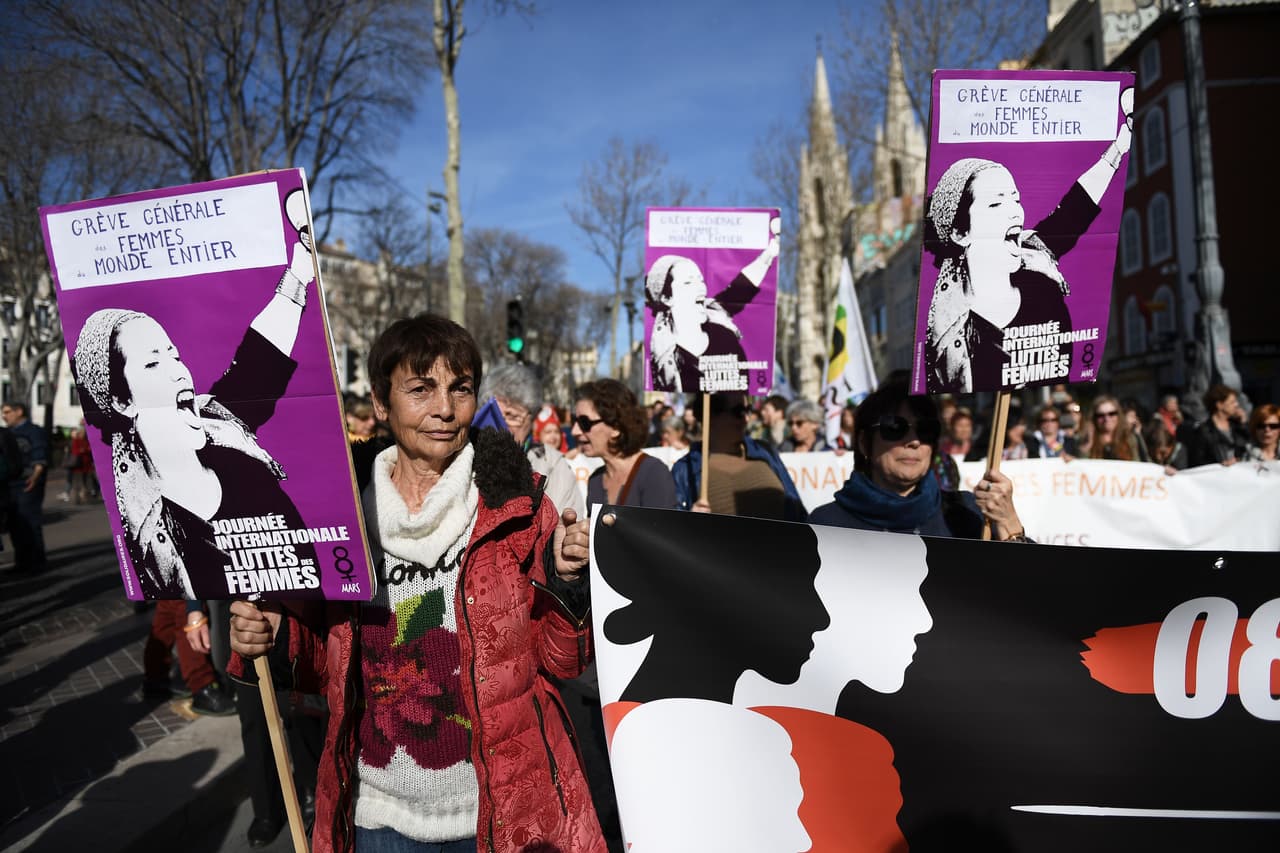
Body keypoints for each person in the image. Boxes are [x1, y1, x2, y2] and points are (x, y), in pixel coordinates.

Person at [229, 313, 604, 853]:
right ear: (381, 403)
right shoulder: (336, 515)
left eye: (460, 389)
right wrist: (272, 636)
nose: (445, 409)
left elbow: (565, 661)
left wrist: (568, 581)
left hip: (500, 817)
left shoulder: (521, 508)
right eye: (421, 389)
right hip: (377, 820)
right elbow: (321, 667)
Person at [70, 216, 317, 599]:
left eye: (174, 355)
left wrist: (301, 267)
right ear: (123, 401)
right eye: (153, 363)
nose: (178, 371)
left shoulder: (221, 422)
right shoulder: (148, 533)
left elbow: (260, 359)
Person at [922, 89, 1133, 392]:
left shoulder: (1036, 257)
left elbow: (1076, 208)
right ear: (960, 233)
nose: (1015, 212)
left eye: (1016, 199)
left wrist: (1119, 147)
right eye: (996, 203)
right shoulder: (946, 339)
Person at [809, 379, 1027, 540]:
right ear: (865, 443)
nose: (914, 441)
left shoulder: (967, 513)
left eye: (926, 430)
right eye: (895, 428)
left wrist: (1009, 523)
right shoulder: (825, 525)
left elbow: (1027, 584)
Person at [645, 221, 779, 393]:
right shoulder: (664, 362)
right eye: (688, 282)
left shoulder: (723, 333)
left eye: (700, 280)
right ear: (667, 298)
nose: (701, 287)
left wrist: (769, 253)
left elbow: (740, 288)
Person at [671, 392, 807, 522]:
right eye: (739, 412)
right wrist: (690, 520)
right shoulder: (685, 470)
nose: (746, 419)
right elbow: (672, 530)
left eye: (747, 410)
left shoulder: (764, 451)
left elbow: (798, 513)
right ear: (711, 416)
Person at [480, 362, 585, 518]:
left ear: (532, 420)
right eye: (493, 414)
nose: (501, 425)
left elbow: (567, 523)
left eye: (512, 416)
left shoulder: (553, 464)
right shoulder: (466, 456)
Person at [573, 379, 676, 512]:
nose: (575, 431)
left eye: (584, 423)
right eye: (574, 421)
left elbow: (658, 525)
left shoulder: (653, 473)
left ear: (616, 427)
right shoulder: (595, 481)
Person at [2, 400, 49, 573]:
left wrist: (35, 476)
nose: (4, 416)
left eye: (7, 412)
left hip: (27, 482)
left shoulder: (33, 431)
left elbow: (39, 454)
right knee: (15, 524)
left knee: (29, 522)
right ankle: (22, 562)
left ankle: (36, 562)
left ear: (19, 411)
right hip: (10, 483)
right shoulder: (7, 433)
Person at [1188, 384, 1250, 467]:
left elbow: (1247, 449)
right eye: (1232, 402)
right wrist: (1221, 465)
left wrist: (1243, 424)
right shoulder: (1204, 430)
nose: (1237, 405)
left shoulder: (1236, 426)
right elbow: (1197, 461)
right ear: (1219, 405)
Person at [1083, 395, 1148, 462]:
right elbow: (1081, 465)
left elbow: (1137, 464)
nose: (1106, 419)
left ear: (1118, 415)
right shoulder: (1085, 440)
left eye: (1111, 414)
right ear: (1094, 418)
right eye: (1100, 415)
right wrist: (1087, 445)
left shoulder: (1130, 439)